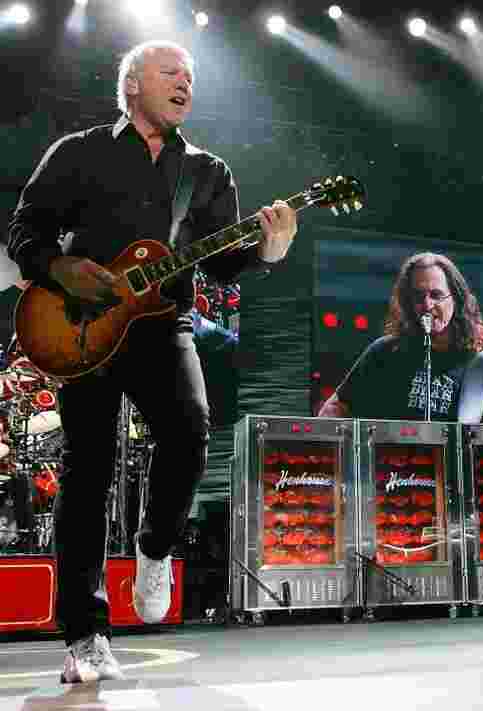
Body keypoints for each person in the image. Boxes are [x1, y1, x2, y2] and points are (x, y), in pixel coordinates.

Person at [6, 40, 297, 682]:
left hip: (165, 324)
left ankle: (155, 548)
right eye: (171, 73)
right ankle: (84, 636)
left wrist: (267, 252)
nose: (185, 83)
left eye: (191, 76)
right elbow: (23, 228)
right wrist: (58, 268)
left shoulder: (208, 172)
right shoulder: (80, 151)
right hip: (81, 326)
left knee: (191, 430)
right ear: (132, 85)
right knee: (87, 473)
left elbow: (220, 260)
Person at [318, 252, 483, 424]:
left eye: (436, 295)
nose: (426, 305)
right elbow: (335, 408)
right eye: (418, 296)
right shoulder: (384, 353)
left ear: (457, 299)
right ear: (408, 302)